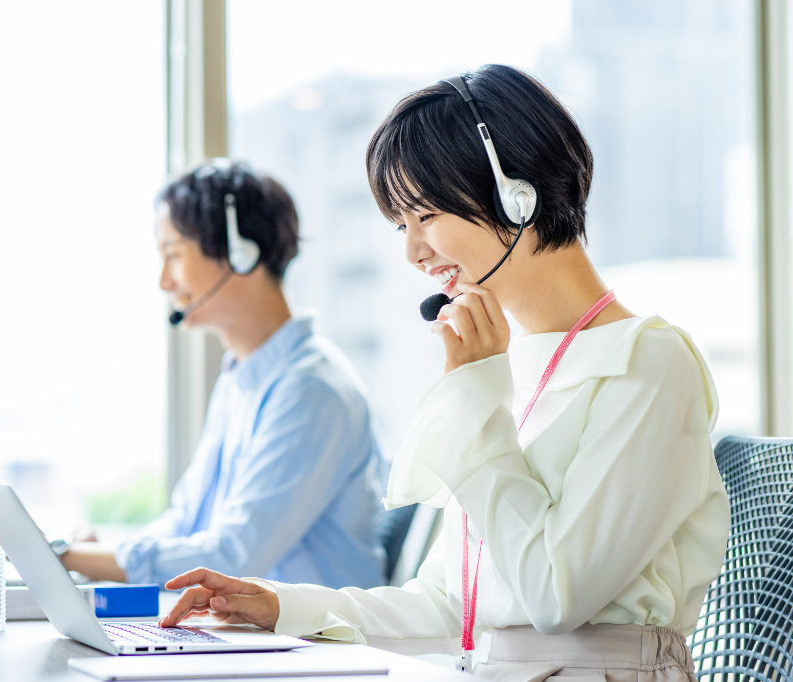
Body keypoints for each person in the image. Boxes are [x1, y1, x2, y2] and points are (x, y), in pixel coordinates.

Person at [160, 66, 730, 682]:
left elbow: (556, 596)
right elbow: (448, 605)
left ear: (518, 191)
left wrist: (477, 397)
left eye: (425, 215)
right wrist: (278, 606)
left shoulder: (648, 360)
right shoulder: (508, 364)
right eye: (401, 225)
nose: (413, 252)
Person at [60, 159, 386, 590]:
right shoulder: (240, 379)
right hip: (252, 638)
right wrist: (94, 554)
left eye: (172, 255)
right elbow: (187, 519)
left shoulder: (311, 389)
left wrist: (68, 557)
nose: (163, 281)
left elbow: (233, 555)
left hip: (316, 644)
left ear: (240, 252)